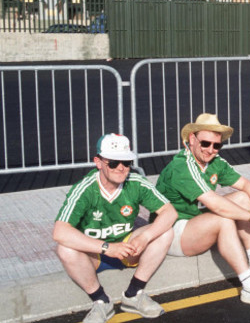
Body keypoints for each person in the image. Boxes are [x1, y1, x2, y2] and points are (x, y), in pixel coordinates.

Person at [154, 113, 250, 309]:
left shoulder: (214, 162)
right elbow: (216, 205)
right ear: (192, 139)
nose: (211, 150)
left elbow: (246, 185)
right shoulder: (181, 166)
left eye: (216, 145)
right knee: (223, 219)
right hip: (170, 231)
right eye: (205, 143)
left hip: (195, 223)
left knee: (242, 197)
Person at [53, 134, 177, 323]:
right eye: (113, 162)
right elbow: (60, 231)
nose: (121, 168)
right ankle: (101, 302)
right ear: (99, 162)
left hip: (128, 248)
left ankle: (134, 294)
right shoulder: (85, 188)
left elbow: (170, 212)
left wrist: (144, 238)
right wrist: (107, 248)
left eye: (126, 162)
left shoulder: (135, 182)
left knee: (165, 231)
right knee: (65, 249)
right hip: (95, 253)